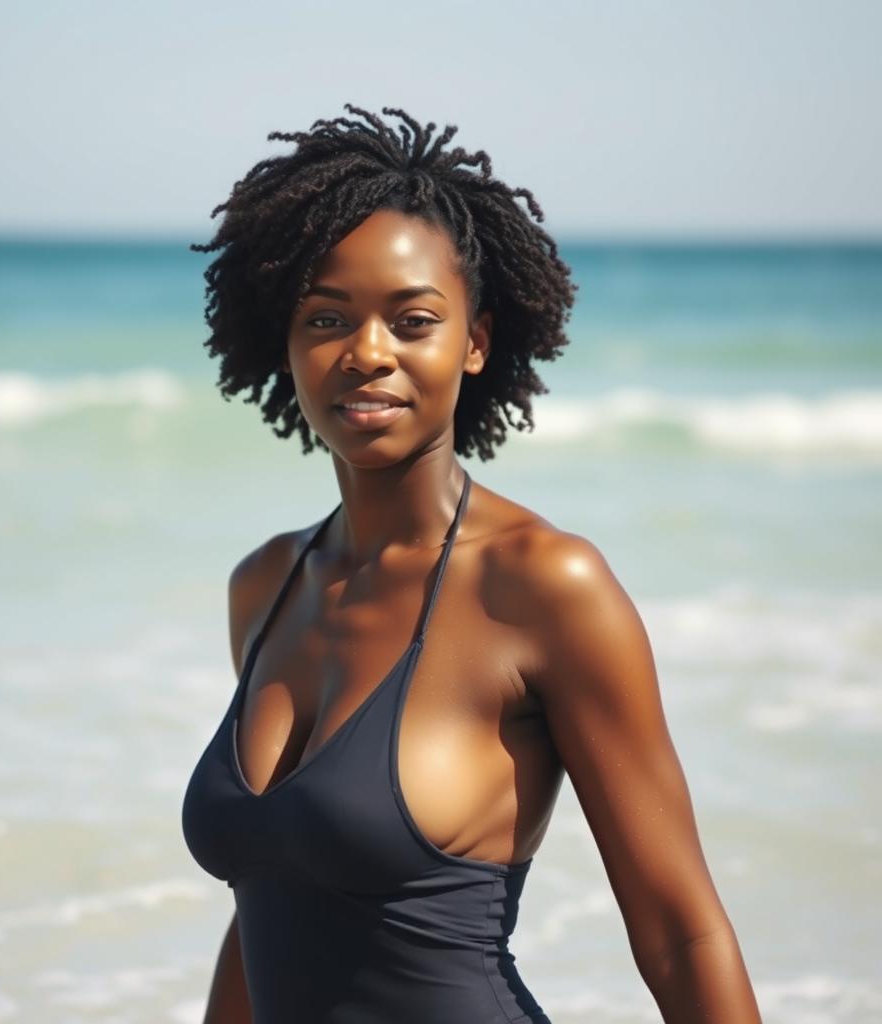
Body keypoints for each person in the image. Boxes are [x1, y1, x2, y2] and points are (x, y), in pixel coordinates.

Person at [181, 103, 761, 1024]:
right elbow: (272, 900)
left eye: (413, 321)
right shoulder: (265, 586)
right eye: (326, 317)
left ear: (476, 342)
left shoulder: (543, 588)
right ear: (283, 343)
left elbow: (681, 932)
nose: (368, 354)